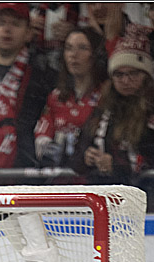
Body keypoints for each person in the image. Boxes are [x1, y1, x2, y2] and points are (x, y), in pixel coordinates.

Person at [70, 26, 154, 206]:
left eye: (133, 73)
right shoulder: (102, 110)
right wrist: (86, 158)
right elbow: (75, 158)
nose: (125, 81)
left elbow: (153, 159)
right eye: (119, 74)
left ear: (146, 76)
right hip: (104, 202)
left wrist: (118, 167)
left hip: (147, 203)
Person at [0, 2, 56, 169]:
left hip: (22, 165)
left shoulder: (43, 75)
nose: (7, 30)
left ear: (29, 33)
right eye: (1, 23)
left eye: (15, 24)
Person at [33, 28, 108, 169]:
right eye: (69, 48)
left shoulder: (105, 96)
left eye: (82, 48)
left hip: (91, 178)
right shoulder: (56, 96)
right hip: (60, 179)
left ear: (96, 54)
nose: (74, 55)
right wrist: (48, 147)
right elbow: (42, 136)